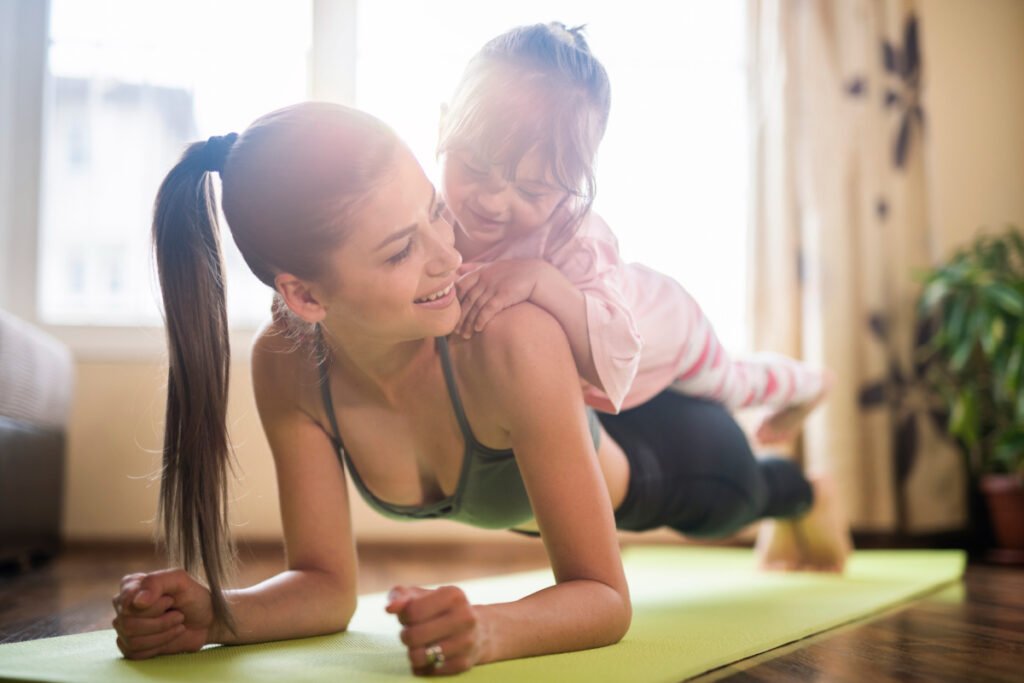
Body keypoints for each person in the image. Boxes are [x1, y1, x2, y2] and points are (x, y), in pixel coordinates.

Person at [111, 102, 849, 675]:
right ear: (303, 295)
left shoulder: (508, 339)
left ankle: (806, 490)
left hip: (667, 452)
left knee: (747, 496)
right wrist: (212, 613)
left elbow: (604, 596)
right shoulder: (287, 365)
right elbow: (325, 585)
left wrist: (490, 626)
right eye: (403, 249)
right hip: (580, 448)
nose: (449, 255)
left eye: (436, 210)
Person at [440, 23, 830, 444]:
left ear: (574, 184)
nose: (493, 202)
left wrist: (540, 280)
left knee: (733, 383)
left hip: (670, 328)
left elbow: (620, 354)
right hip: (630, 310)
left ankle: (810, 384)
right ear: (444, 125)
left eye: (531, 189)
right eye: (475, 168)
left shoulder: (576, 241)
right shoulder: (429, 216)